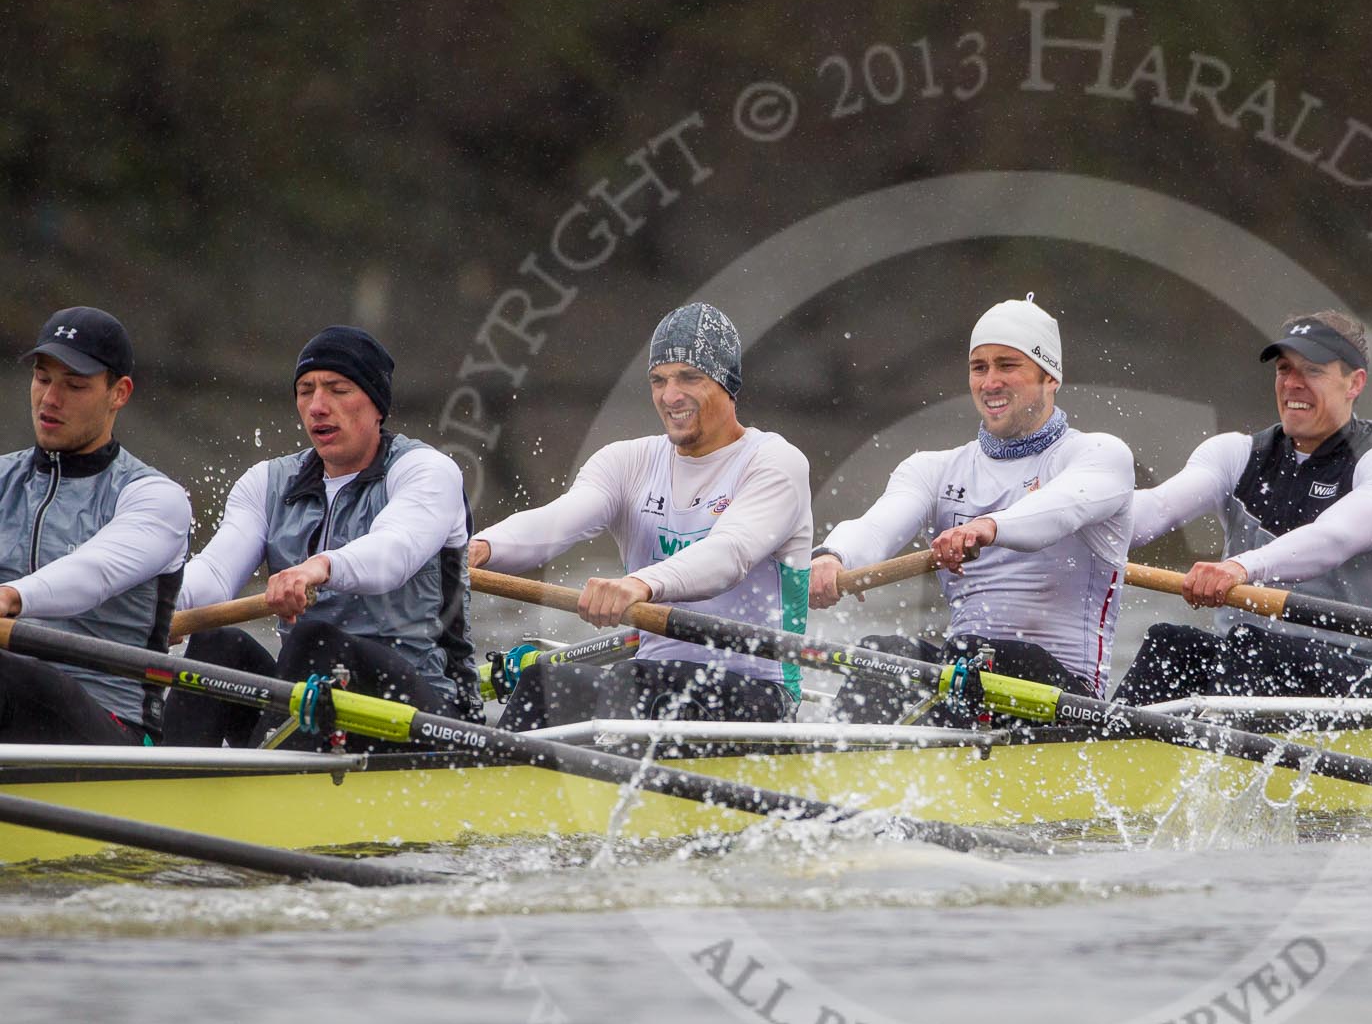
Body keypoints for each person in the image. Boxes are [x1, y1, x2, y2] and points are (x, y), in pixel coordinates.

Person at [470, 302, 812, 728]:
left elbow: (729, 555)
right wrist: (481, 547)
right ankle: (501, 782)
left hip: (760, 694)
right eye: (659, 380)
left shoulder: (775, 463)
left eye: (690, 377)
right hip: (650, 681)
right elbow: (559, 519)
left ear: (728, 384)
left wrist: (639, 584)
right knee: (545, 681)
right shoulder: (626, 462)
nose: (671, 396)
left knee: (635, 682)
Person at [809, 295, 1134, 718]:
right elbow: (876, 527)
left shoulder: (1100, 455)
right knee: (885, 654)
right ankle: (846, 768)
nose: (990, 382)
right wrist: (834, 557)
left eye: (1007, 365)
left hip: (1064, 702)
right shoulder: (933, 469)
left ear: (1050, 376)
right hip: (965, 675)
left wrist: (987, 527)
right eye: (979, 367)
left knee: (991, 660)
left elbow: (1060, 511)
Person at [165, 327, 481, 747]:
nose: (317, 406)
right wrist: (155, 607)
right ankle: (167, 777)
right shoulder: (266, 483)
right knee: (215, 643)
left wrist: (320, 566)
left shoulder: (426, 470)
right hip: (314, 708)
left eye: (338, 389)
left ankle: (263, 780)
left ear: (376, 405)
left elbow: (393, 553)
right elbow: (215, 575)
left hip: (427, 712)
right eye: (305, 390)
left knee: (317, 639)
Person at [1113, 310, 1372, 706]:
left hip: (1362, 678)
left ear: (1355, 383)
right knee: (1171, 643)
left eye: (1312, 371)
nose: (1293, 384)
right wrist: (1069, 520)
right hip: (1247, 665)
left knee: (1254, 646)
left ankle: (1210, 757)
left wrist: (1239, 568)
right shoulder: (1235, 454)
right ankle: (1101, 748)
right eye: (1284, 369)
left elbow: (1334, 538)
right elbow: (1154, 510)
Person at [0, 307, 190, 744]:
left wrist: (11, 595)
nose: (50, 398)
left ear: (119, 393)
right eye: (43, 378)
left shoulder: (155, 499)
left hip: (113, 731)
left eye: (74, 385)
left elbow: (93, 573)